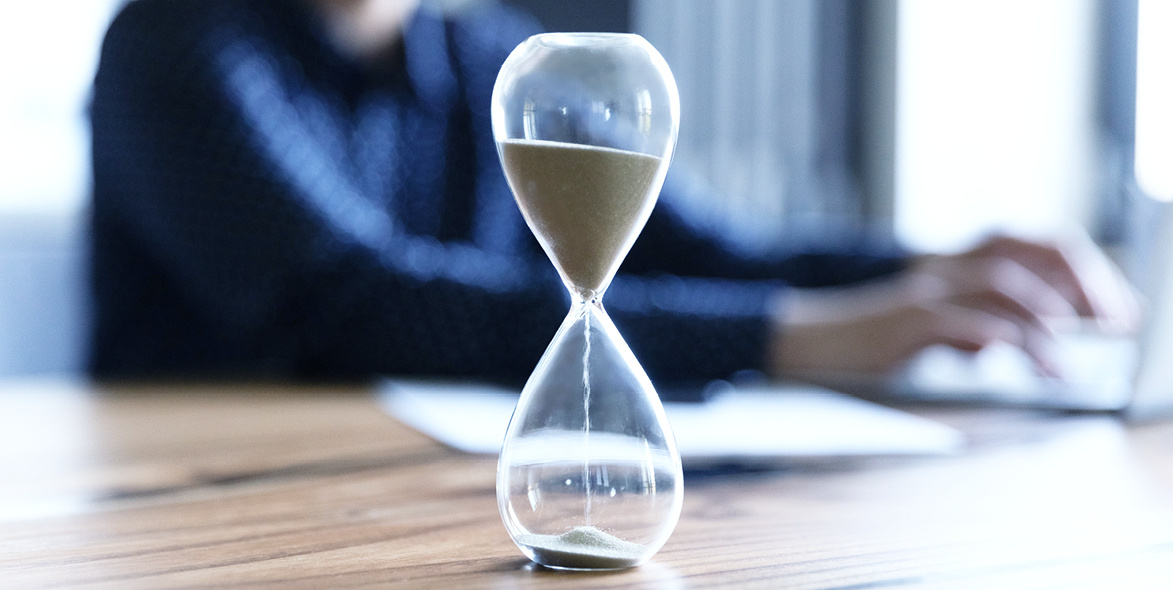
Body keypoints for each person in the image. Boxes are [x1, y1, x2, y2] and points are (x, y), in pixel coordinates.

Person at [88, 0, 1138, 391]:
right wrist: (797, 335)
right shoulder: (175, 42)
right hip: (214, 502)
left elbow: (711, 250)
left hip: (434, 490)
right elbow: (352, 301)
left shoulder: (503, 61)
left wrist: (928, 268)